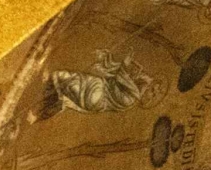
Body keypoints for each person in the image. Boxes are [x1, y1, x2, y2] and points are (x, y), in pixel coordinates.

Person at [33, 50, 164, 121]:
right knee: (66, 91)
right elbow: (119, 77)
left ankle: (45, 88)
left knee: (66, 80)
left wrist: (125, 63)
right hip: (94, 102)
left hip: (97, 91)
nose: (149, 83)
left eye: (151, 89)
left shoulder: (134, 94)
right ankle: (38, 113)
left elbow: (120, 76)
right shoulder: (132, 97)